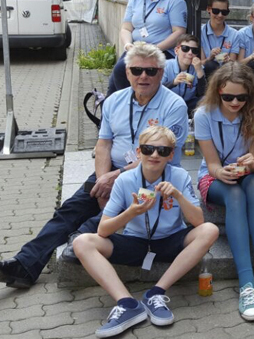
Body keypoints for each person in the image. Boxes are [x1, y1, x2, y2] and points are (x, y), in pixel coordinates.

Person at [0, 43, 188, 289]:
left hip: (153, 174)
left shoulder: (174, 106)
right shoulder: (114, 101)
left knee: (110, 214)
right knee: (69, 210)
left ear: (161, 74)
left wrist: (114, 178)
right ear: (127, 72)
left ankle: (81, 241)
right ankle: (25, 265)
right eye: (137, 70)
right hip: (111, 170)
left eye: (151, 71)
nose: (143, 76)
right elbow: (103, 145)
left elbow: (164, 156)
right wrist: (103, 180)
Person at [73, 126, 219, 338]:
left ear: (171, 155)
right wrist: (131, 212)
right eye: (148, 149)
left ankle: (156, 293)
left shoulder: (179, 176)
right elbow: (103, 230)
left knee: (210, 230)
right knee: (82, 242)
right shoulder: (124, 180)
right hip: (135, 241)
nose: (154, 155)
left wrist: (178, 195)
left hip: (170, 240)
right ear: (139, 152)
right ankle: (127, 304)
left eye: (162, 150)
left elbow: (198, 221)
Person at [195, 62, 254, 321]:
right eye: (228, 97)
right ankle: (246, 284)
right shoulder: (204, 114)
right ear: (218, 91)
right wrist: (222, 172)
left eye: (241, 97)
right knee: (234, 194)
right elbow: (211, 165)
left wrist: (250, 165)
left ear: (250, 95)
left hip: (247, 175)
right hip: (214, 178)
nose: (235, 102)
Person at [108, 0, 187, 96]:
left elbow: (179, 32)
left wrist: (155, 48)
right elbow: (126, 28)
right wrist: (127, 45)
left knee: (122, 69)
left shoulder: (174, 0)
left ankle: (133, 104)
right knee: (115, 79)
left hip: (162, 50)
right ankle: (114, 110)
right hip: (137, 49)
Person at [162, 34, 206, 115]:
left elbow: (202, 93)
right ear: (176, 50)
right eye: (185, 48)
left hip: (188, 104)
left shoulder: (198, 67)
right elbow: (156, 89)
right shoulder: (166, 65)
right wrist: (174, 82)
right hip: (167, 104)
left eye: (194, 50)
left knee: (206, 100)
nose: (190, 53)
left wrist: (199, 71)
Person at [200, 0, 239, 79]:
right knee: (210, 65)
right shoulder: (201, 32)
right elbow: (200, 63)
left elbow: (233, 63)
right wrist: (210, 57)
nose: (220, 15)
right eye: (216, 11)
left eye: (224, 12)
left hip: (227, 74)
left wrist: (228, 60)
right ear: (208, 9)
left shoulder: (234, 34)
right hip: (207, 73)